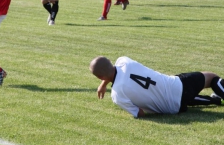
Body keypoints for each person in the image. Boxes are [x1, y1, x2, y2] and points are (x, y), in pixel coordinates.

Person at [89, 56, 224, 118]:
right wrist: (104, 83)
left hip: (173, 108)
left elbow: (139, 113)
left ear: (100, 77)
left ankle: (216, 100)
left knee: (184, 97)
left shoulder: (117, 96)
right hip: (178, 86)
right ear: (110, 61)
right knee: (211, 77)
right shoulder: (124, 61)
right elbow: (112, 69)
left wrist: (104, 83)